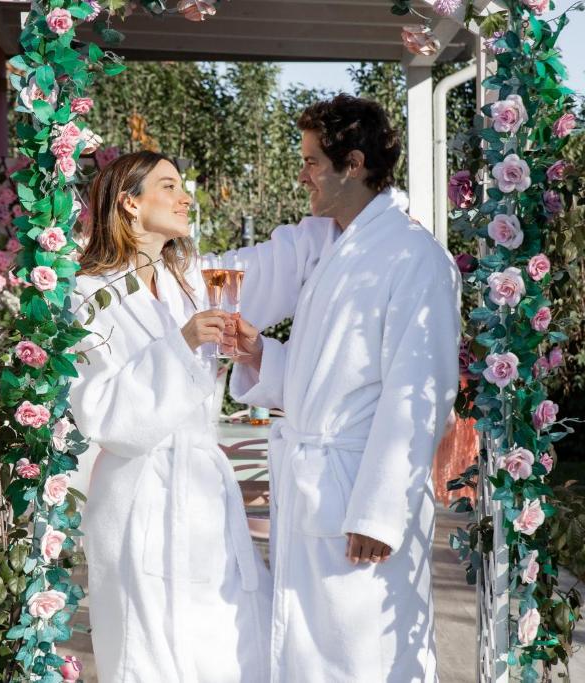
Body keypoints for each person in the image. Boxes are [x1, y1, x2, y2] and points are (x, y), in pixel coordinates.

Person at [229, 94, 462, 682]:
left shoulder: (414, 258)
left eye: (311, 161)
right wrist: (262, 355)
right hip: (317, 480)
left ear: (352, 163)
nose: (302, 174)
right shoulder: (338, 246)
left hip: (360, 494)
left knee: (367, 656)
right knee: (312, 656)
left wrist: (381, 513)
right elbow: (330, 378)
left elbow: (419, 395)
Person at [69, 151, 272, 683]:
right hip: (140, 496)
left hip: (203, 488)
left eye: (183, 185)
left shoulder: (189, 286)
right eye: (168, 186)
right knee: (150, 652)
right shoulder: (89, 293)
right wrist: (181, 348)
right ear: (129, 203)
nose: (185, 197)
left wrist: (244, 351)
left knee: (231, 642)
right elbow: (101, 413)